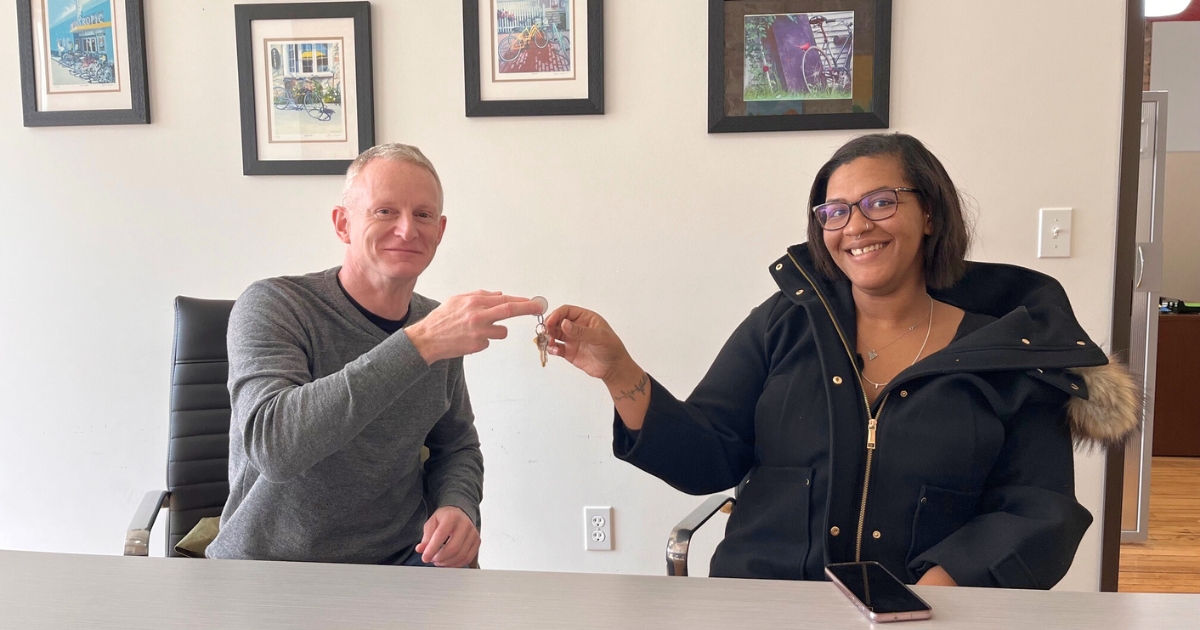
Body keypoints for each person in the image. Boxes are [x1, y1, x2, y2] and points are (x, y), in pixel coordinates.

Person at [543, 133, 1139, 588]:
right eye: (834, 211)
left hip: (925, 614)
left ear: (930, 213)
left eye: (880, 202)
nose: (855, 226)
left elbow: (1039, 509)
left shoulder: (1007, 353)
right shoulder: (784, 323)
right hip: (763, 604)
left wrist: (942, 590)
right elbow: (710, 454)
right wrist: (620, 372)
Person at [206, 143, 544, 566]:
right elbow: (275, 447)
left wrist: (458, 505)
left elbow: (456, 446)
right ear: (343, 224)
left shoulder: (434, 323)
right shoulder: (274, 304)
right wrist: (419, 344)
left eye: (422, 215)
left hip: (400, 563)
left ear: (440, 231)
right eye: (385, 211)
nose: (407, 230)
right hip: (271, 568)